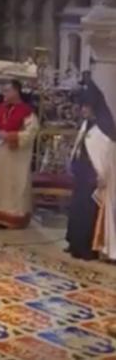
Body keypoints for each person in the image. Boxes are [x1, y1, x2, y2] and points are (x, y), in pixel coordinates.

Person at [69, 80, 116, 261]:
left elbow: (106, 155)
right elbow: (81, 146)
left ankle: (88, 248)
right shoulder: (86, 125)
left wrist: (101, 174)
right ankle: (76, 244)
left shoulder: (105, 129)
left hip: (94, 178)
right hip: (82, 174)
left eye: (86, 106)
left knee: (89, 213)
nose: (83, 110)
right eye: (82, 106)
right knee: (77, 210)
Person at [0, 80, 39, 229]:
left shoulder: (27, 112)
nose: (4, 93)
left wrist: (10, 136)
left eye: (7, 90)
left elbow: (31, 133)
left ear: (16, 91)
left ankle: (14, 219)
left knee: (14, 187)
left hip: (16, 158)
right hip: (0, 154)